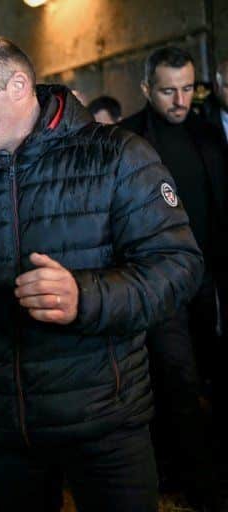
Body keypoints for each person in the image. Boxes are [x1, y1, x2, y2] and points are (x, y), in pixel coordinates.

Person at [0, 35, 203, 512]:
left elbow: (179, 265)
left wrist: (85, 297)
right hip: (6, 428)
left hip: (106, 421)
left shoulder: (117, 156)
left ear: (17, 86)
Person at [120, 46, 228, 510]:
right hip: (159, 281)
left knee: (212, 373)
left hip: (208, 279)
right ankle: (200, 486)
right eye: (168, 91)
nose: (180, 100)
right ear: (147, 89)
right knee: (177, 378)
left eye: (187, 89)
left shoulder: (208, 134)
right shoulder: (128, 139)